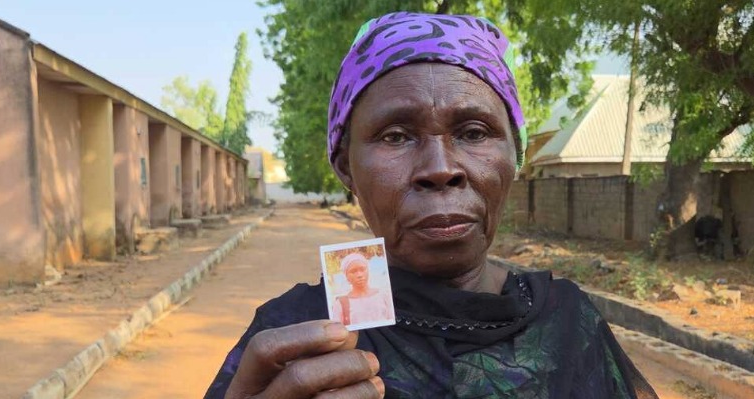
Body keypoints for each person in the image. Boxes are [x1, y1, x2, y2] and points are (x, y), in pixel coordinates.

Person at [206, 12, 657, 399]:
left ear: (515, 157)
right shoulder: (293, 337)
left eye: (475, 132)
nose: (441, 169)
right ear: (346, 168)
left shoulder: (569, 323)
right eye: (396, 136)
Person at [332, 253, 393, 326]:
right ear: (346, 276)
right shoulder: (340, 304)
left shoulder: (384, 295)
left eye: (362, 269)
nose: (359, 275)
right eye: (353, 271)